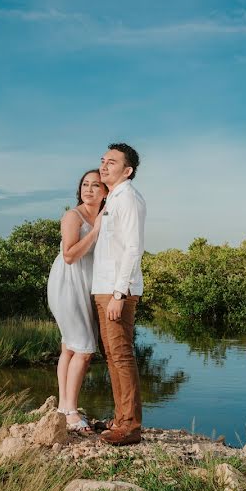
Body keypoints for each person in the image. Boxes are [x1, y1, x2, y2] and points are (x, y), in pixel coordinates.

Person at [91, 142, 146, 446]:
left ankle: (130, 426)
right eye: (103, 160)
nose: (104, 165)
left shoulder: (129, 199)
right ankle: (120, 417)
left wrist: (119, 293)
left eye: (112, 162)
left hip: (116, 290)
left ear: (127, 170)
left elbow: (133, 248)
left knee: (122, 355)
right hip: (103, 287)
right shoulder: (112, 198)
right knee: (112, 355)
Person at [46, 169, 107, 431]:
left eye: (95, 185)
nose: (89, 189)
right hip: (67, 284)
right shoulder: (73, 216)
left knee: (69, 348)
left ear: (105, 192)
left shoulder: (106, 215)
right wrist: (95, 232)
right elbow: (70, 255)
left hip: (87, 285)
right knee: (83, 349)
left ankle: (63, 406)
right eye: (85, 184)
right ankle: (71, 411)